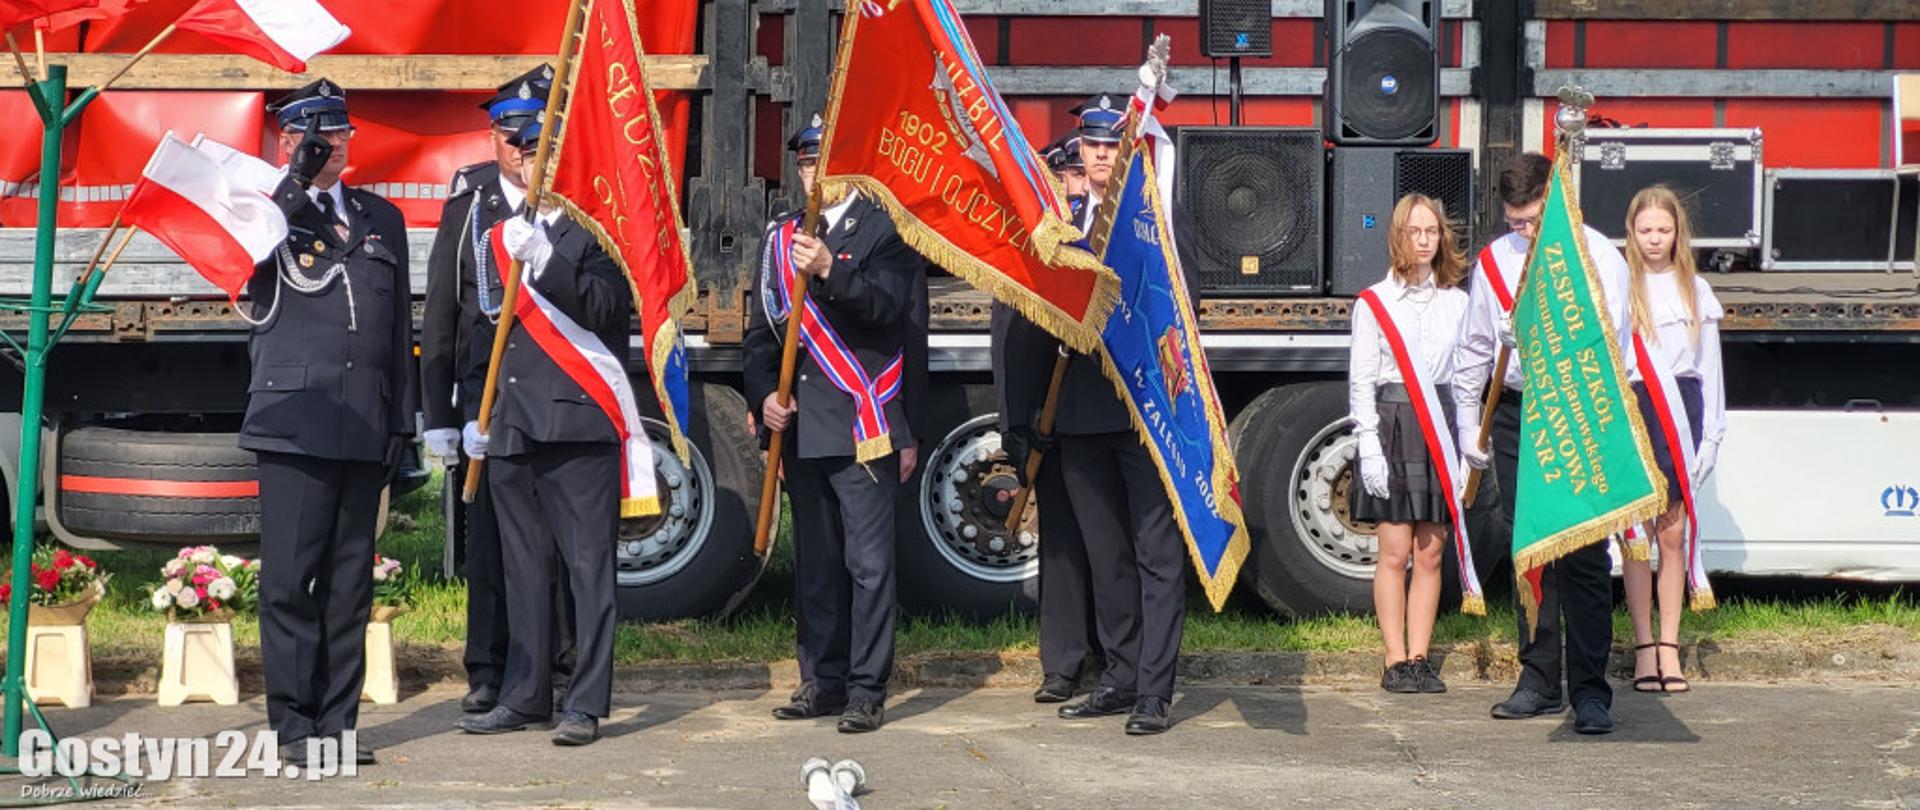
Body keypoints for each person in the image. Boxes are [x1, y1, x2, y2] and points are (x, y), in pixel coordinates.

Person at [247, 78, 415, 766]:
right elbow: (249, 268)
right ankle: (293, 727)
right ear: (285, 141)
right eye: (312, 136)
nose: (328, 147)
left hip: (360, 420)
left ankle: (339, 727)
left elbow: (397, 323)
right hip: (292, 419)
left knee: (350, 582)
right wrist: (294, 182)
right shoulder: (263, 210)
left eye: (338, 135)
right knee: (290, 581)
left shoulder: (382, 217)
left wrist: (401, 424)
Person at [456, 120, 634, 746]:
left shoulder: (597, 230)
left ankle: (584, 701)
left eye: (547, 154)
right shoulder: (499, 235)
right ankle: (526, 694)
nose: (534, 164)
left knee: (588, 569)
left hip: (576, 421)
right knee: (523, 570)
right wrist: (473, 415)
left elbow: (610, 309)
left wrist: (549, 264)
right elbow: (485, 329)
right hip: (510, 423)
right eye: (527, 155)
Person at [747, 117, 927, 734]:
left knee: (869, 566)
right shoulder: (779, 236)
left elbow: (888, 312)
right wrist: (762, 394)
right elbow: (759, 334)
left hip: (862, 422)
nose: (811, 174)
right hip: (800, 427)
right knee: (817, 565)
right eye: (802, 164)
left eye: (822, 162)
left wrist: (830, 268)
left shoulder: (886, 227)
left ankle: (866, 689)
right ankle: (820, 681)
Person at [1450, 152, 1634, 735]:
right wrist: (1464, 432)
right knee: (1529, 544)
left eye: (1532, 221)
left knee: (1582, 552)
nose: (1523, 233)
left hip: (1580, 406)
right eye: (1514, 223)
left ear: (1554, 206)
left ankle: (1590, 691)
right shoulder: (1494, 261)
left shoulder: (1598, 256)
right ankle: (1537, 678)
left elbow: (1618, 349)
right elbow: (1474, 351)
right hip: (1517, 408)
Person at [419, 64, 577, 717]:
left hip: (558, 396)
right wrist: (440, 418)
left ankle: (560, 664)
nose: (522, 150)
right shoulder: (468, 208)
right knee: (487, 542)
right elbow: (440, 319)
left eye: (534, 138)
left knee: (562, 543)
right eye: (511, 138)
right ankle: (487, 668)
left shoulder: (573, 205)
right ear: (492, 139)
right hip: (486, 402)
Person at [1348, 194, 1469, 694]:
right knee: (1395, 552)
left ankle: (1420, 657)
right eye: (1415, 231)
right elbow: (1361, 381)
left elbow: (1465, 379)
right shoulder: (1373, 301)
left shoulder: (1458, 302)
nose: (1424, 241)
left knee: (1432, 552)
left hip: (1438, 423)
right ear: (1398, 235)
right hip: (1394, 421)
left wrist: (1467, 448)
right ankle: (1394, 659)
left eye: (1432, 232)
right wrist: (1369, 447)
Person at [1619, 185, 1725, 695]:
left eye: (1663, 230)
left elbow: (1709, 370)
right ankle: (1642, 647)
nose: (1655, 239)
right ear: (1631, 233)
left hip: (1682, 411)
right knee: (1636, 538)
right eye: (1645, 231)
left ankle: (1669, 645)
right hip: (1636, 410)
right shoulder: (1619, 288)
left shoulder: (1696, 290)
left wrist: (1711, 438)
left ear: (1677, 233)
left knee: (1672, 534)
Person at [1066, 95, 1122, 231]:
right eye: (1092, 144)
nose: (1101, 153)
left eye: (1112, 145)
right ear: (1081, 148)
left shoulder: (1156, 216)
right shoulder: (1066, 222)